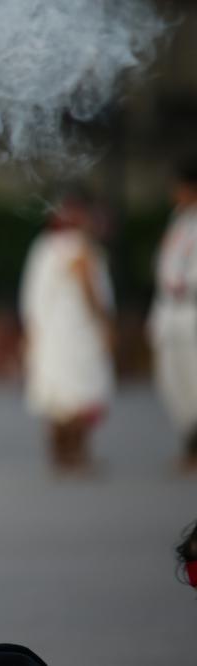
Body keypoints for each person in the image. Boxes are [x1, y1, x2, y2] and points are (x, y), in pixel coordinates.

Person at [19, 190, 115, 475]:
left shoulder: (45, 247)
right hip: (75, 332)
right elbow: (91, 291)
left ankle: (63, 455)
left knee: (59, 394)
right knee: (78, 393)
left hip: (51, 331)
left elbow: (30, 297)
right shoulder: (77, 246)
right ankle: (75, 454)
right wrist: (105, 324)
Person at [147, 158, 197, 474]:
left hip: (192, 309)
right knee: (174, 383)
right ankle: (188, 445)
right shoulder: (178, 219)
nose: (174, 193)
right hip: (170, 313)